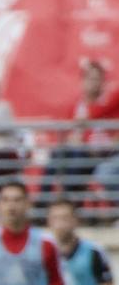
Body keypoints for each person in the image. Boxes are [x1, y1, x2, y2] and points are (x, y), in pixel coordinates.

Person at [47, 60, 119, 192]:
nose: (94, 83)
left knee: (77, 158)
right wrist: (72, 140)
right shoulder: (75, 107)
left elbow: (113, 138)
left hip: (100, 155)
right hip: (77, 152)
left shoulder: (111, 105)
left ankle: (69, 201)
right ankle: (42, 204)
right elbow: (66, 133)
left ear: (103, 82)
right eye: (90, 78)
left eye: (97, 79)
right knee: (57, 155)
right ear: (83, 80)